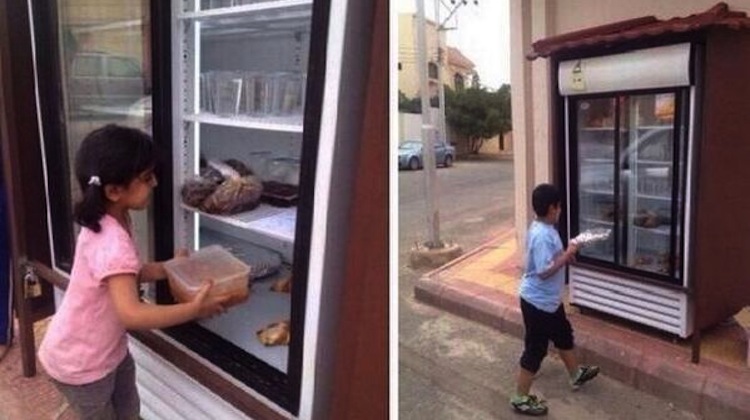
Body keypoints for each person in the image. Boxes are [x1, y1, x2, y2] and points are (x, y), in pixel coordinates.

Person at [38, 125, 233, 419]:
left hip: (108, 352)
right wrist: (193, 308)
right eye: (146, 177)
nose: (155, 183)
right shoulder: (112, 241)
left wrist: (170, 268)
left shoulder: (109, 220)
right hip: (82, 365)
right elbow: (133, 313)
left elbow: (128, 275)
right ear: (114, 191)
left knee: (129, 412)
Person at [510, 183, 599, 416]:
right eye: (559, 207)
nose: (560, 210)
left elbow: (552, 259)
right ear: (552, 208)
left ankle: (575, 374)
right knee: (536, 349)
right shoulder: (541, 235)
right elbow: (543, 270)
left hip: (548, 301)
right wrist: (568, 254)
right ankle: (520, 398)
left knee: (562, 334)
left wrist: (566, 256)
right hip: (537, 302)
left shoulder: (545, 227)